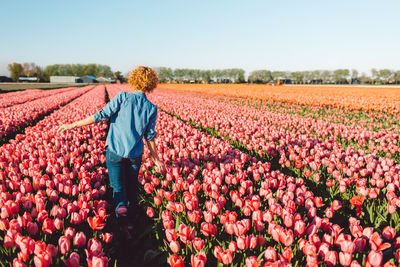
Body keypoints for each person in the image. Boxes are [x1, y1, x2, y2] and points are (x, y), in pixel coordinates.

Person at [58, 66, 166, 239]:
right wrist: (157, 159)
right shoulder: (151, 108)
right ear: (151, 84)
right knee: (132, 187)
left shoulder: (123, 98)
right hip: (134, 155)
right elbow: (150, 137)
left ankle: (121, 217)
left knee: (118, 187)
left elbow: (100, 115)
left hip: (114, 151)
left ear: (134, 80)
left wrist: (73, 125)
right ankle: (130, 222)